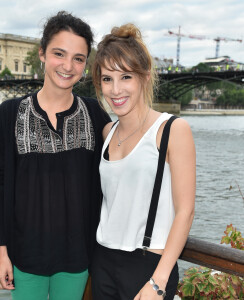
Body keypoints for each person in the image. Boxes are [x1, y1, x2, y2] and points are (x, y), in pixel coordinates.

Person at [0, 11, 111, 300]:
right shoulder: (9, 113)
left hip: (77, 258)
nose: (68, 66)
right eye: (59, 53)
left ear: (85, 64)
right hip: (25, 256)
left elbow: (124, 156)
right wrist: (1, 251)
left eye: (79, 58)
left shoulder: (94, 114)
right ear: (42, 54)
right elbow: (0, 184)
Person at [91, 23, 196, 300]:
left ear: (145, 77)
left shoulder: (173, 130)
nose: (115, 90)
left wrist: (158, 282)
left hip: (149, 267)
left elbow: (185, 212)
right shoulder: (107, 132)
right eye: (107, 79)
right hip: (102, 262)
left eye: (126, 76)